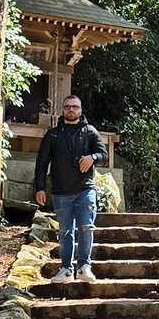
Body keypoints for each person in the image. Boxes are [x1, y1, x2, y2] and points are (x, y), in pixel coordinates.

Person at [33, 94, 107, 284]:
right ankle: (66, 269)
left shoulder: (90, 132)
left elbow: (103, 154)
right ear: (63, 110)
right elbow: (41, 163)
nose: (71, 109)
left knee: (86, 228)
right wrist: (40, 188)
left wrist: (92, 158)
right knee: (66, 231)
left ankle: (84, 267)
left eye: (75, 106)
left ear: (80, 110)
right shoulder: (53, 134)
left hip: (85, 189)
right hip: (61, 191)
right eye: (67, 107)